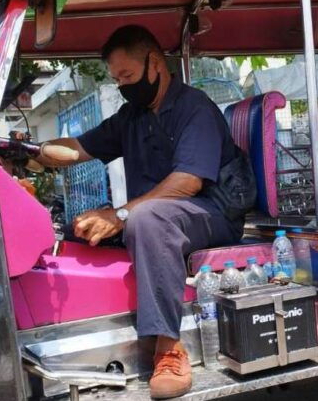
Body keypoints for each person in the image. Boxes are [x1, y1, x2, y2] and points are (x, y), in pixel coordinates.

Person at [35, 25, 245, 399]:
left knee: (145, 219)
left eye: (128, 76)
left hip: (212, 214)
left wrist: (120, 214)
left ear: (155, 61)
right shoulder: (131, 116)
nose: (123, 86)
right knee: (79, 228)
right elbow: (78, 148)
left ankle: (168, 347)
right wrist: (33, 153)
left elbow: (188, 182)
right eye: (117, 79)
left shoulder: (193, 107)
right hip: (157, 218)